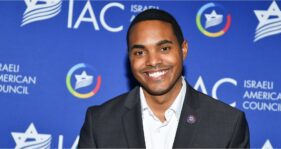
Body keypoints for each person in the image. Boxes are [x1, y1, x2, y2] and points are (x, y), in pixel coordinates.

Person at [78, 9, 250, 148]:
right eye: (140, 52)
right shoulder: (100, 122)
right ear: (129, 57)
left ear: (183, 49)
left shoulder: (227, 124)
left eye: (164, 49)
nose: (153, 61)